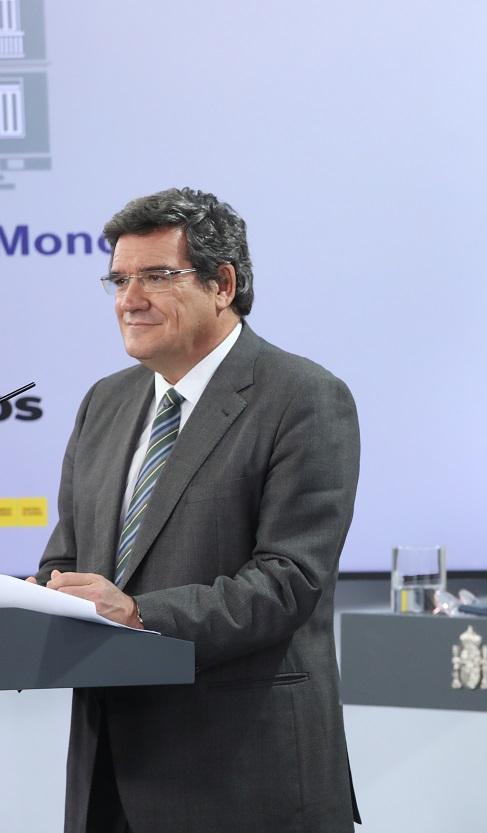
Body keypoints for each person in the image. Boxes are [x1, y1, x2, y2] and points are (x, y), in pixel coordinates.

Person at [32, 187, 362, 833]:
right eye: (120, 279)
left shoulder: (303, 397)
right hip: (111, 772)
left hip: (243, 773)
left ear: (223, 283)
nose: (130, 299)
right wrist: (48, 594)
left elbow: (288, 580)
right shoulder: (106, 401)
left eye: (157, 276)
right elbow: (67, 553)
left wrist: (139, 614)